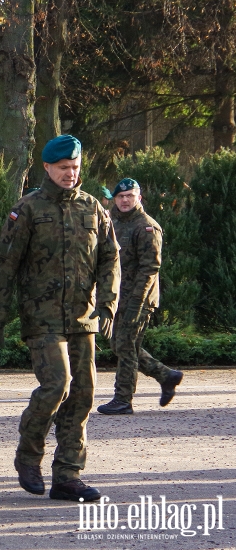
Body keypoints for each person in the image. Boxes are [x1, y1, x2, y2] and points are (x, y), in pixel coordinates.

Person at [0, 134, 120, 503]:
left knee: (83, 394)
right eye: (63, 168)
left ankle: (68, 476)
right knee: (57, 385)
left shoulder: (93, 209)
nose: (70, 174)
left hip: (82, 315)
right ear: (47, 167)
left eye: (75, 167)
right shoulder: (27, 209)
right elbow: (6, 265)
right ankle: (28, 455)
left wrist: (107, 304)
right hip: (41, 316)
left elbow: (109, 259)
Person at [97, 178, 183, 415]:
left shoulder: (146, 227)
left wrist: (137, 303)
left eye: (130, 196)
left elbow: (150, 269)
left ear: (139, 198)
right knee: (120, 344)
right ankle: (166, 375)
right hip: (117, 297)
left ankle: (123, 399)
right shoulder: (112, 221)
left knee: (125, 346)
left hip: (139, 299)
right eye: (121, 197)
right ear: (115, 199)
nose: (125, 200)